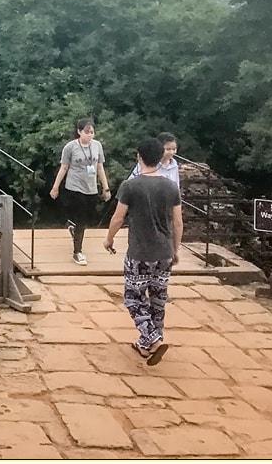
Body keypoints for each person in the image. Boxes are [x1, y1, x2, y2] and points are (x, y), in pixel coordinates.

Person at [103, 136, 182, 365]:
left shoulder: (131, 186)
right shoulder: (171, 186)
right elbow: (177, 222)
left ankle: (153, 339)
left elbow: (118, 218)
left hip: (139, 253)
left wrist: (109, 240)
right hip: (165, 251)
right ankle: (146, 345)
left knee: (133, 298)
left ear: (139, 157)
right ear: (160, 157)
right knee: (158, 299)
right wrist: (176, 249)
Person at [48, 117, 112, 265]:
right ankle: (77, 252)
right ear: (79, 132)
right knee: (81, 218)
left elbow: (100, 167)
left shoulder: (97, 146)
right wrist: (55, 187)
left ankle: (74, 228)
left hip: (91, 187)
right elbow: (64, 167)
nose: (90, 135)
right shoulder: (70, 147)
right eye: (87, 132)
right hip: (75, 186)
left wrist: (105, 187)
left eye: (92, 132)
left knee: (88, 217)